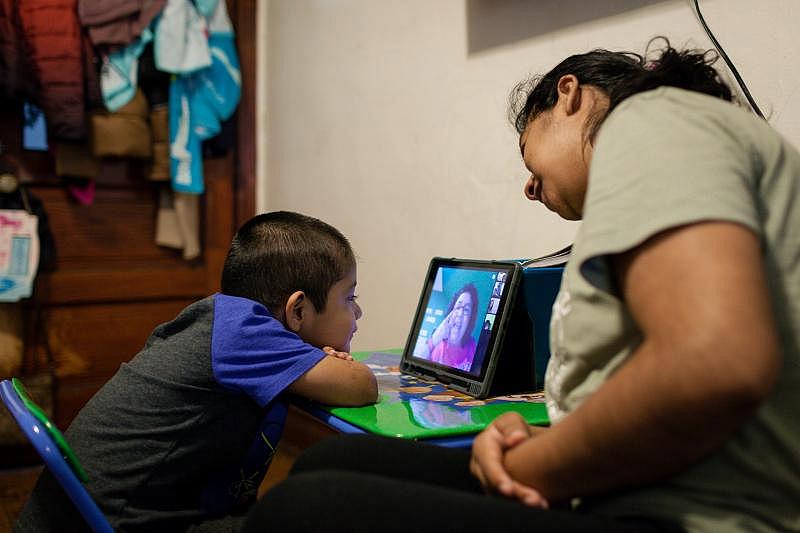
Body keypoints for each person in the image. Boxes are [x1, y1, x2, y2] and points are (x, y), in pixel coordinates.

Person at [242, 38, 800, 532]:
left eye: (528, 154)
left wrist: (531, 463)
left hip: (696, 511)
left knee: (307, 507)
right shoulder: (673, 163)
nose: (530, 187)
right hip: (629, 477)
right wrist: (541, 437)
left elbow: (713, 362)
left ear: (569, 95)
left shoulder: (654, 118)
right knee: (330, 463)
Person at [15, 211, 378, 532]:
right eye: (350, 298)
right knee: (325, 509)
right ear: (297, 311)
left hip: (93, 512)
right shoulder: (245, 334)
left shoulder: (223, 321)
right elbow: (361, 386)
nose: (357, 314)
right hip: (125, 521)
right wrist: (327, 365)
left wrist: (308, 357)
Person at [427, 283, 479, 370]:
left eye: (466, 309)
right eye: (458, 307)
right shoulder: (437, 348)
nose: (460, 314)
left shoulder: (472, 345)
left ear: (470, 320)